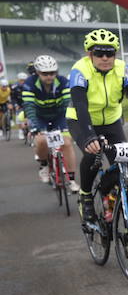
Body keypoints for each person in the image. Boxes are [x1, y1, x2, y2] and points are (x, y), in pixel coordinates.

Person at [66, 29, 128, 223]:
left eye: (109, 53)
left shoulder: (123, 69)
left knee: (122, 164)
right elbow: (80, 105)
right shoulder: (80, 69)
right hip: (81, 120)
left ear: (115, 54)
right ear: (89, 54)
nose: (104, 58)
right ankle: (85, 196)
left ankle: (109, 198)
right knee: (93, 153)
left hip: (111, 122)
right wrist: (89, 136)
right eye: (99, 53)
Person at [22, 55, 79, 192]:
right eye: (45, 74)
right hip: (39, 116)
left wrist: (69, 123)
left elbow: (67, 104)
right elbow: (29, 107)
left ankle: (71, 179)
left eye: (52, 73)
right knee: (41, 140)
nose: (49, 76)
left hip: (59, 116)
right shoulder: (29, 84)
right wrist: (35, 127)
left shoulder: (63, 82)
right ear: (37, 73)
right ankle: (44, 165)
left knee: (66, 142)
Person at [11, 72, 27, 139]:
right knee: (18, 118)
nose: (22, 82)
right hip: (19, 104)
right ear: (18, 80)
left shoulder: (29, 86)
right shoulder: (14, 87)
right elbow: (13, 98)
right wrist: (15, 105)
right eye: (21, 80)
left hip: (27, 103)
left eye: (24, 80)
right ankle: (20, 131)